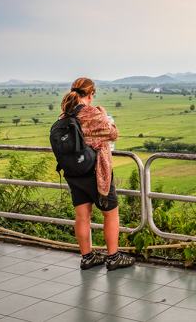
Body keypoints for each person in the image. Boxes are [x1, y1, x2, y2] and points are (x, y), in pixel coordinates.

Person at [60, 77, 134, 271]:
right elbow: (113, 134)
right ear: (91, 94)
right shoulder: (92, 113)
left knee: (82, 215)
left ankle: (87, 257)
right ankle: (113, 257)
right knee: (111, 213)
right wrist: (104, 115)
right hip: (96, 170)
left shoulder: (65, 114)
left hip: (74, 172)